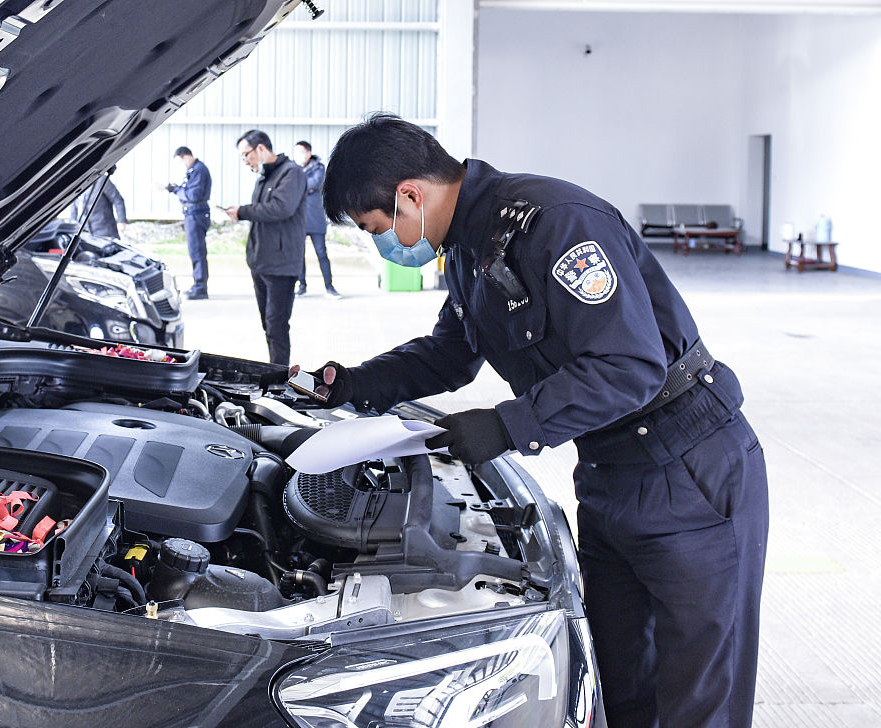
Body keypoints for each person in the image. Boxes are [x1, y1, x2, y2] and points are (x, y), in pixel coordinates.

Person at [304, 113, 768, 728]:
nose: (382, 244)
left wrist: (508, 424)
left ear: (410, 195)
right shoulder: (472, 248)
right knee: (617, 679)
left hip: (689, 470)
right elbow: (450, 351)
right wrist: (358, 384)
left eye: (376, 228)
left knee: (698, 695)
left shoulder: (555, 224)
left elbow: (630, 366)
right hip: (608, 474)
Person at [226, 130, 306, 365]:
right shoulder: (264, 177)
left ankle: (280, 378)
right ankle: (273, 371)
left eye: (246, 155)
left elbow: (281, 208)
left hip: (281, 264)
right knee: (268, 324)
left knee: (276, 325)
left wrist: (243, 211)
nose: (246, 161)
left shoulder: (292, 173)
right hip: (260, 262)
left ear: (261, 148)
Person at [292, 141, 339, 298]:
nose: (298, 155)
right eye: (296, 151)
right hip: (298, 219)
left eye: (301, 151)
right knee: (299, 255)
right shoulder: (293, 169)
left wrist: (298, 186)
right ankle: (302, 285)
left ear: (309, 153)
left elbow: (312, 184)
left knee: (321, 253)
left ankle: (329, 287)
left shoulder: (319, 168)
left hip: (315, 218)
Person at [166, 146, 212, 299]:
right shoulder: (194, 170)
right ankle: (198, 285)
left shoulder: (198, 170)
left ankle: (200, 288)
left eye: (181, 161)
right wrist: (176, 188)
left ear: (186, 156)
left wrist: (177, 191)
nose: (182, 165)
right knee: (195, 251)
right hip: (193, 215)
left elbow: (193, 195)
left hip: (196, 215)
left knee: (197, 251)